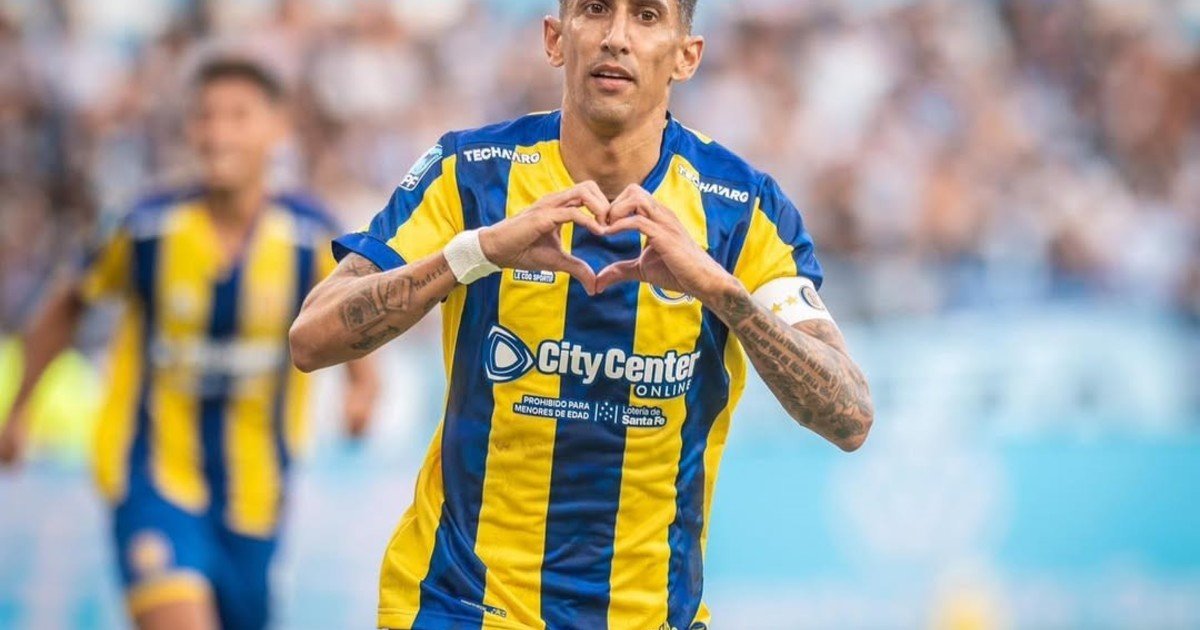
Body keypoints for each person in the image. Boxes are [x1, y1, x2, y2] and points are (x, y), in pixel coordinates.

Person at [290, 1, 874, 628]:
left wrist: (719, 289)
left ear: (687, 56)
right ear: (554, 39)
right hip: (460, 603)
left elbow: (850, 416)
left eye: (646, 16)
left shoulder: (742, 208)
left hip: (650, 615)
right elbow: (312, 338)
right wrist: (477, 253)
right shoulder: (472, 174)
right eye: (595, 9)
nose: (616, 37)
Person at [0, 58, 380, 630]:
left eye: (238, 116)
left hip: (256, 491)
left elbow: (352, 311)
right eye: (205, 117)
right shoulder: (147, 226)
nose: (218, 133)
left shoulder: (308, 235)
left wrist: (361, 386)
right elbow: (68, 304)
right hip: (151, 477)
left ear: (278, 128)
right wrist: (19, 407)